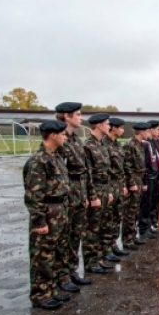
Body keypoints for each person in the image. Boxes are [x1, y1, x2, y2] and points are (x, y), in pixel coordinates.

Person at [24, 120, 71, 310]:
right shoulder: (38, 161)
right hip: (48, 212)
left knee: (56, 252)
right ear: (53, 135)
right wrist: (39, 220)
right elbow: (34, 195)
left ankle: (52, 289)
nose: (65, 137)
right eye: (62, 134)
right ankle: (40, 295)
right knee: (42, 255)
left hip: (60, 209)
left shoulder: (56, 157)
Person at [55, 102, 91, 288]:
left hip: (79, 193)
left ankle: (71, 271)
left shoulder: (76, 140)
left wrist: (86, 193)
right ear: (67, 116)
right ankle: (62, 277)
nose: (81, 117)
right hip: (66, 195)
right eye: (77, 114)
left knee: (75, 235)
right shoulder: (59, 140)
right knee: (63, 238)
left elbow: (83, 169)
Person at [83, 113, 114, 274]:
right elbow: (87, 174)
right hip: (94, 189)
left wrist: (108, 191)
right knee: (92, 228)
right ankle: (90, 261)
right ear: (99, 125)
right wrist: (92, 196)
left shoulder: (102, 145)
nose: (109, 126)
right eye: (107, 124)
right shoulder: (88, 146)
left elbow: (106, 172)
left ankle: (100, 257)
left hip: (104, 189)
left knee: (102, 225)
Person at [102, 117, 130, 260]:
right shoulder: (104, 144)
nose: (122, 130)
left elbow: (122, 167)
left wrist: (124, 184)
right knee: (108, 218)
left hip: (118, 184)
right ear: (113, 128)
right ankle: (106, 249)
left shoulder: (117, 145)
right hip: (110, 185)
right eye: (120, 127)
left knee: (117, 216)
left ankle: (113, 245)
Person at [122, 122, 150, 251]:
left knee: (135, 211)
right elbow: (126, 166)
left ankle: (133, 236)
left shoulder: (140, 145)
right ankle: (127, 239)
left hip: (138, 178)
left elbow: (141, 166)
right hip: (132, 180)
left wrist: (142, 182)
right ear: (140, 132)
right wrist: (131, 183)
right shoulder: (130, 145)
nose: (147, 133)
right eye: (146, 131)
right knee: (129, 212)